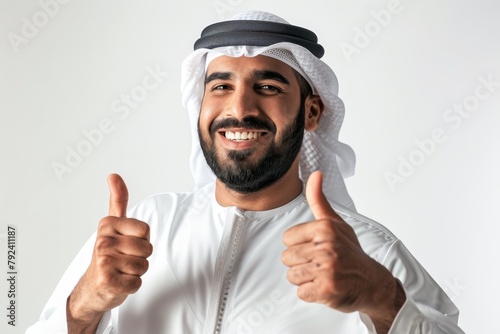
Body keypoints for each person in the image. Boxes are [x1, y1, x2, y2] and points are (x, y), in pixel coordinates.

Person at [27, 10, 465, 334]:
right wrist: (82, 307)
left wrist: (383, 298)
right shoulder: (143, 229)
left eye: (268, 87)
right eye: (220, 87)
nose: (239, 109)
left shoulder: (365, 252)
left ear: (312, 112)